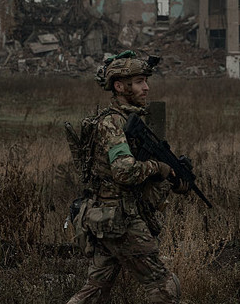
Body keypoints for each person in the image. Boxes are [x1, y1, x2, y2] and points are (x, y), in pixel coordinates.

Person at [67, 50, 189, 304]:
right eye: (139, 82)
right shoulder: (113, 124)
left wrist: (172, 176)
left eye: (146, 80)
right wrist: (159, 168)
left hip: (106, 220)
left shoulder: (127, 120)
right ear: (120, 86)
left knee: (95, 290)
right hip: (121, 221)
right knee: (163, 286)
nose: (146, 87)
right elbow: (124, 171)